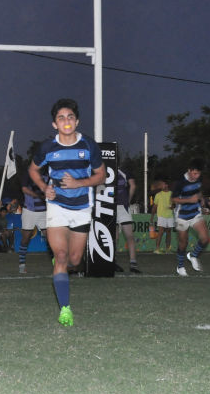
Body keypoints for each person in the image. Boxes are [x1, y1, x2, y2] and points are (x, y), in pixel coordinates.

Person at [28, 98, 106, 327]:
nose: (66, 121)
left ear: (77, 121)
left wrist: (79, 183)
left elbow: (101, 176)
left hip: (82, 206)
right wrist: (44, 188)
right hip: (57, 206)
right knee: (61, 257)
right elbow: (33, 170)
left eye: (70, 117)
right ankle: (65, 308)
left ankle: (62, 262)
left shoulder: (89, 145)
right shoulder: (47, 147)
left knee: (74, 260)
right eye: (61, 118)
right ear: (54, 124)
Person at [172, 158, 210, 277]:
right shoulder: (180, 182)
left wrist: (202, 198)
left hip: (195, 213)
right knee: (183, 243)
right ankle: (180, 267)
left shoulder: (199, 178)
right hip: (181, 215)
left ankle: (193, 255)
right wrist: (189, 200)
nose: (196, 176)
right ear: (189, 170)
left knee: (205, 238)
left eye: (199, 173)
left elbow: (198, 191)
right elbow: (174, 199)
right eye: (194, 173)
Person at [17, 168, 47, 273]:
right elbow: (24, 189)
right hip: (29, 211)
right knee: (26, 238)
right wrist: (39, 196)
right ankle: (22, 264)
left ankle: (57, 264)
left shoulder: (48, 173)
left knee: (51, 238)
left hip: (44, 212)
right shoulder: (28, 173)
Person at [112, 163, 140, 273]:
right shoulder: (124, 171)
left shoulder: (106, 169)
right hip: (122, 207)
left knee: (115, 238)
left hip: (110, 206)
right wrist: (127, 200)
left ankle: (113, 262)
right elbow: (132, 186)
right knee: (129, 236)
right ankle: (133, 264)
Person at [150, 180, 174, 254]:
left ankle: (167, 249)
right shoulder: (158, 195)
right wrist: (152, 216)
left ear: (166, 185)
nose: (161, 186)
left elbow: (174, 205)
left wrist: (172, 207)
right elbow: (154, 206)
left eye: (162, 184)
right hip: (161, 216)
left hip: (170, 216)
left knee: (169, 232)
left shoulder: (172, 194)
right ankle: (157, 249)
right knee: (160, 232)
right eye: (160, 185)